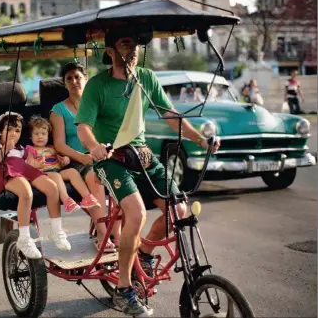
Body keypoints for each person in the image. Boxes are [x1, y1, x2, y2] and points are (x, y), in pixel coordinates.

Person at [76, 28, 220, 316]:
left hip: (142, 157)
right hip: (111, 160)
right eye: (125, 43)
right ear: (110, 51)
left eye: (136, 44)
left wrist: (201, 140)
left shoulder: (146, 78)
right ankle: (123, 288)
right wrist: (93, 147)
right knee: (137, 213)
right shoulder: (97, 86)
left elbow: (170, 116)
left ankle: (142, 253)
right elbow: (83, 127)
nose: (133, 50)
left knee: (179, 211)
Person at [50, 62, 120, 253]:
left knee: (122, 176)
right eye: (69, 78)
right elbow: (60, 145)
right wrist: (82, 157)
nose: (74, 81)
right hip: (74, 162)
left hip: (100, 156)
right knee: (94, 178)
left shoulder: (96, 105)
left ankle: (118, 232)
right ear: (65, 84)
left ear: (86, 80)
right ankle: (102, 235)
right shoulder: (58, 110)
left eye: (78, 77)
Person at [0, 111, 71, 259]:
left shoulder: (22, 149)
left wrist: (36, 163)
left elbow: (29, 165)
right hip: (7, 173)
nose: (13, 134)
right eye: (9, 130)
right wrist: (5, 150)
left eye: (17, 131)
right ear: (0, 131)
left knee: (52, 188)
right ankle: (24, 238)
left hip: (25, 170)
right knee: (26, 192)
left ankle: (57, 231)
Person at [25, 116, 102, 214]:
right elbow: (30, 166)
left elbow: (60, 160)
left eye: (43, 134)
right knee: (56, 175)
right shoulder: (31, 150)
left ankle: (87, 197)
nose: (40, 136)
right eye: (36, 134)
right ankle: (66, 200)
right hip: (43, 175)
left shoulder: (52, 148)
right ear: (31, 136)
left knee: (72, 172)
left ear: (48, 136)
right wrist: (37, 164)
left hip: (57, 172)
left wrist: (65, 160)